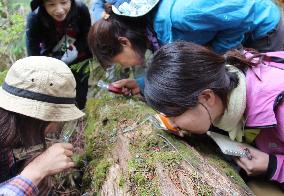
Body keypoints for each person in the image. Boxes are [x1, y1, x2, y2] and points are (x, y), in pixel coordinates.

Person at [143, 41, 284, 191]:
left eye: (174, 114)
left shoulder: (279, 109)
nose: (172, 123)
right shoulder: (225, 80)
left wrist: (274, 166)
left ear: (207, 97)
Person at [88, 0, 284, 94]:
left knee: (265, 89)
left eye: (118, 62)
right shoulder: (153, 32)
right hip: (237, 33)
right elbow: (181, 64)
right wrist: (142, 83)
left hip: (263, 31)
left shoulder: (182, 14)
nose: (123, 67)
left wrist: (214, 52)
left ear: (124, 42)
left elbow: (242, 12)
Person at [0, 56, 85, 195]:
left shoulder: (12, 137)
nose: (58, 125)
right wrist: (35, 171)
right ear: (36, 119)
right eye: (58, 118)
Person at [26, 0, 92, 109]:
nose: (60, 10)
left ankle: (79, 112)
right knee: (56, 93)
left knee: (80, 91)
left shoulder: (80, 9)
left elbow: (87, 34)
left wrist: (77, 50)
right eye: (51, 4)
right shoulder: (35, 19)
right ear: (43, 5)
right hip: (50, 60)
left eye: (64, 2)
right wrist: (56, 61)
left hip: (79, 56)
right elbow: (33, 53)